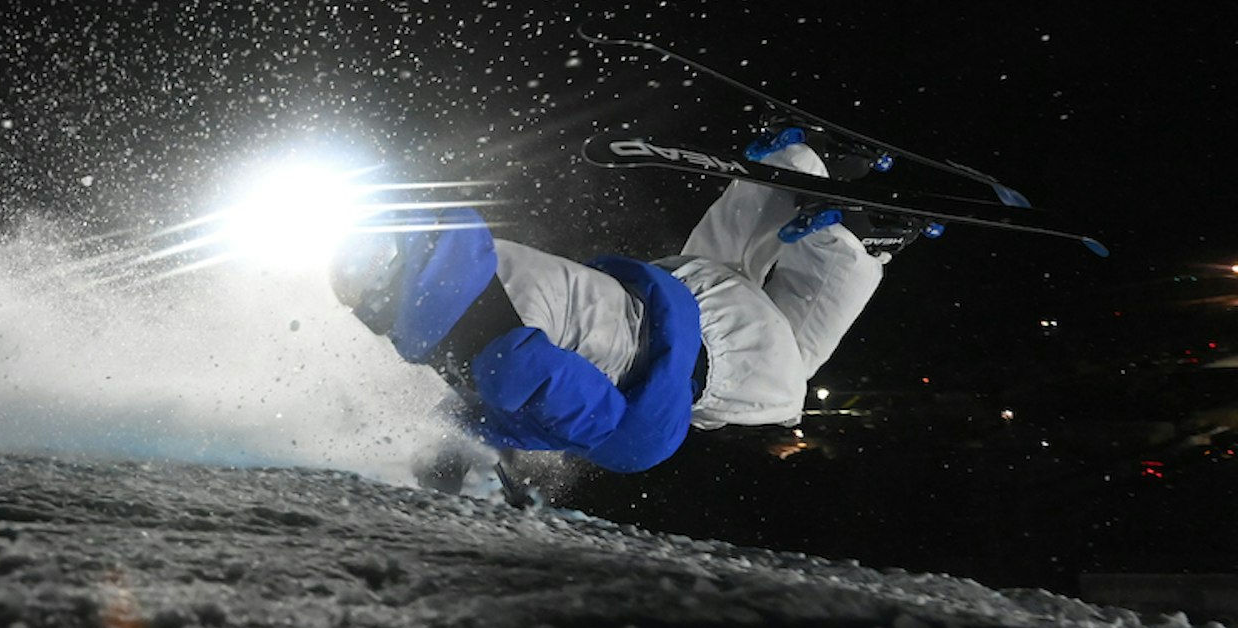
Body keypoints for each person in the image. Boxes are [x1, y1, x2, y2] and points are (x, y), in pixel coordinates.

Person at [329, 128, 896, 475]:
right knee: (730, 274)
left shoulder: (495, 360)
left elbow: (600, 423)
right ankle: (796, 164)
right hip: (684, 296)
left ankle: (852, 243)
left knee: (789, 379)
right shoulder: (474, 260)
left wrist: (475, 423)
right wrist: (470, 420)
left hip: (724, 366)